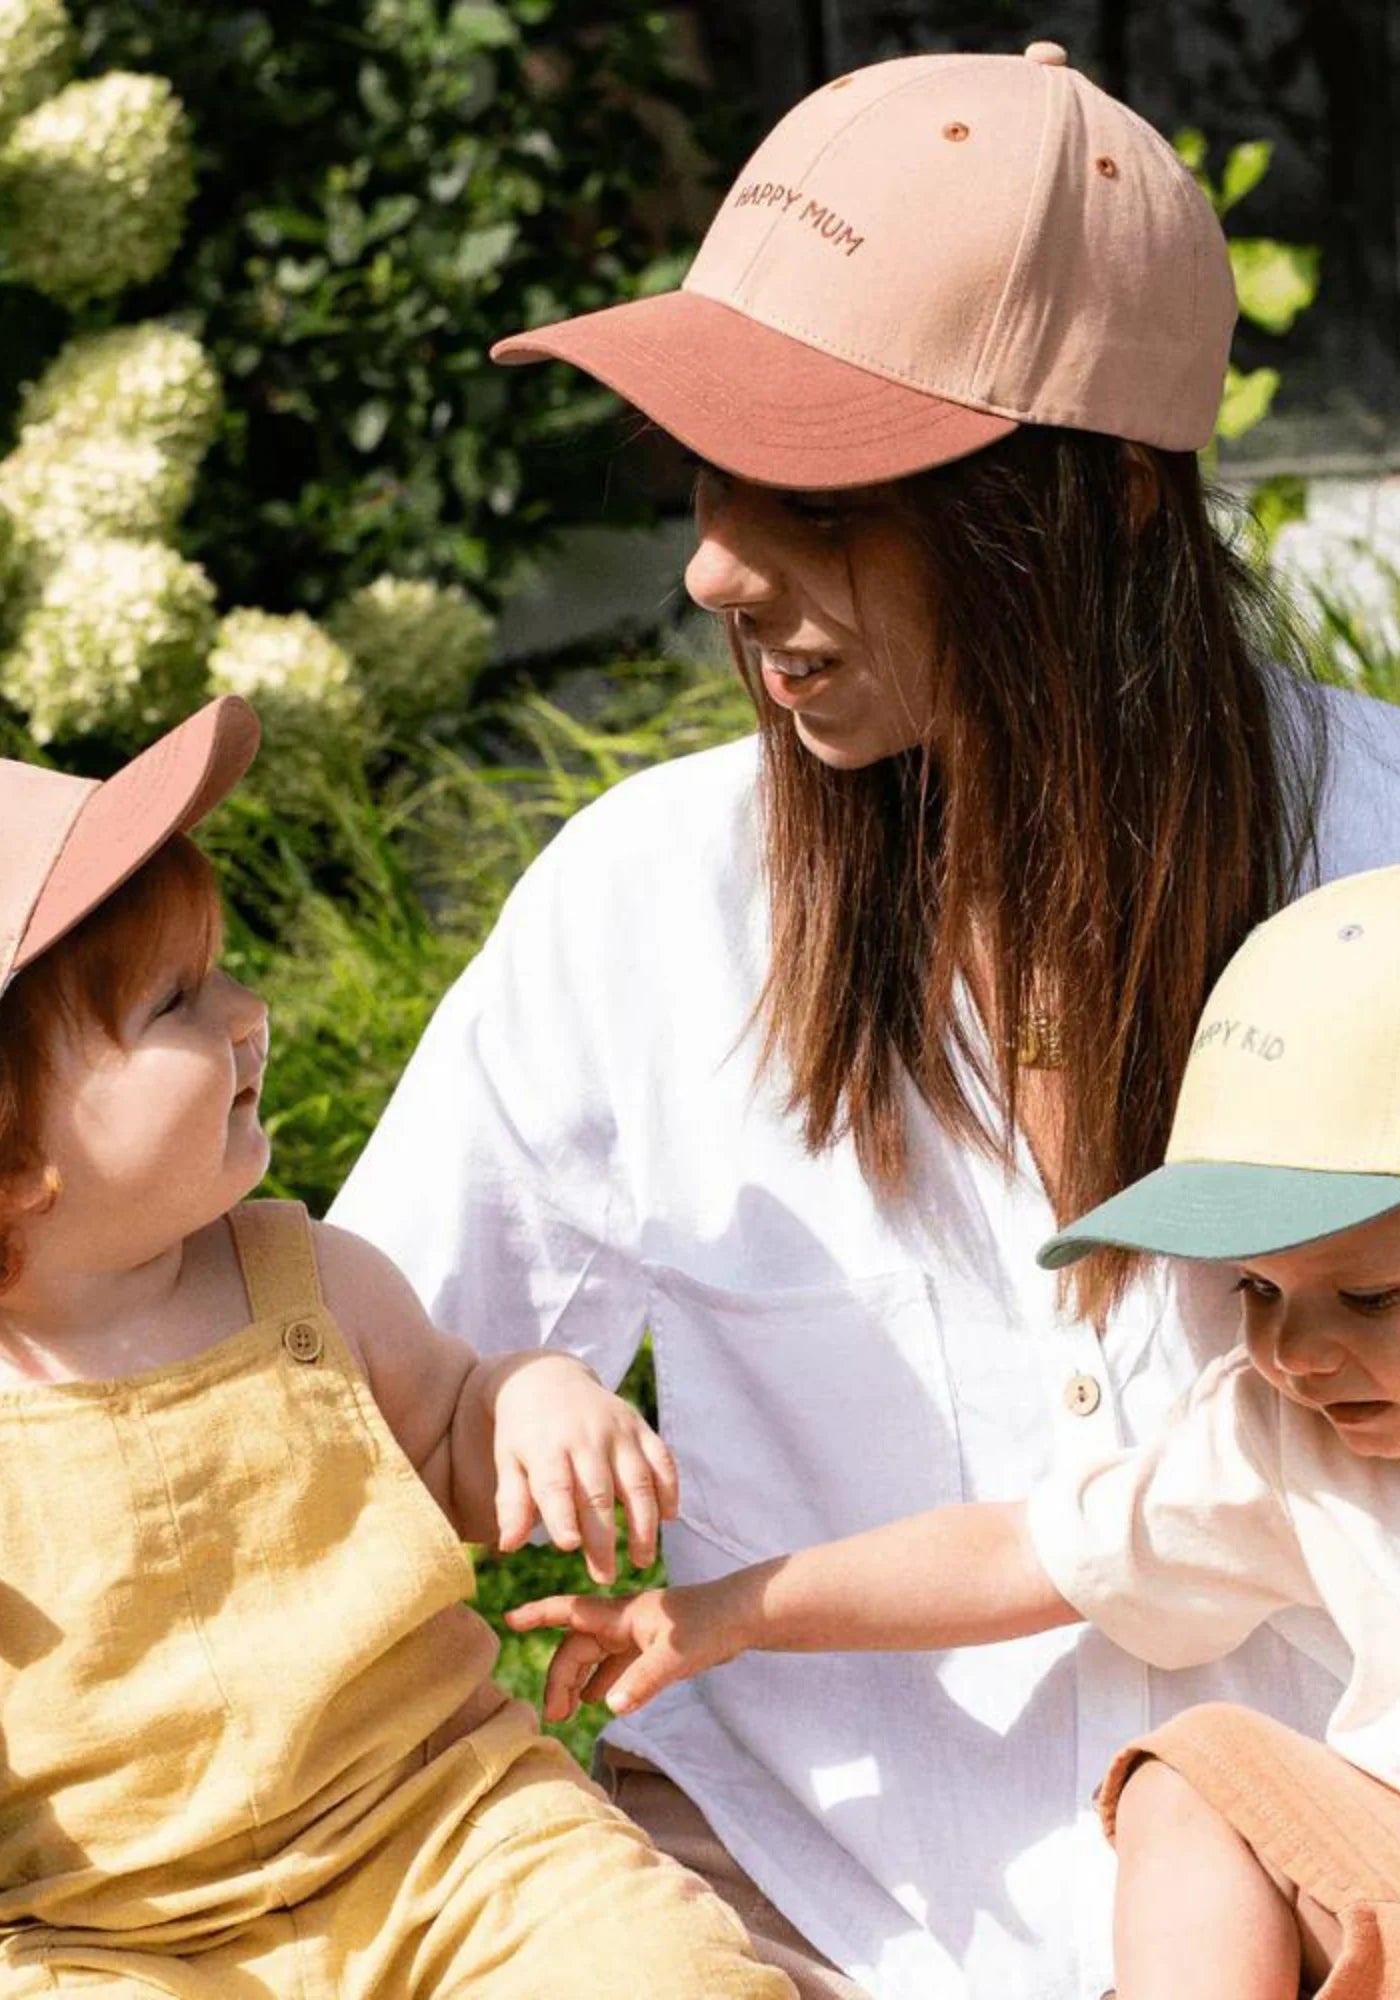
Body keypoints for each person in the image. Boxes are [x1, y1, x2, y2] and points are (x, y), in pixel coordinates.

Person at [327, 40, 1400, 2000]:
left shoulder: (1383, 861)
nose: (713, 566)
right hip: (786, 1918)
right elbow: (326, 1381)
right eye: (707, 475)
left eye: (815, 490)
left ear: (1097, 517)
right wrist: (504, 1412)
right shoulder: (638, 909)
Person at [0, 695, 793, 1999]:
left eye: (228, 968)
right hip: (118, 1929)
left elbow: (453, 1435)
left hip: (443, 1832)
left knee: (661, 1968)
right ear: (17, 1149)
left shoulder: (310, 1285)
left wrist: (530, 1394)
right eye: (179, 1000)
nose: (248, 1011)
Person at [507, 859, 1400, 2000]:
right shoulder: (1281, 1440)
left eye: (1370, 1296)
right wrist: (727, 1609)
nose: (1294, 1352)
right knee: (1193, 1777)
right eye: (1256, 1291)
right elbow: (1023, 1551)